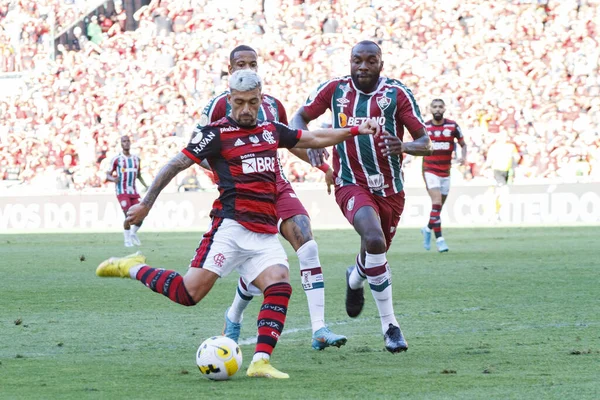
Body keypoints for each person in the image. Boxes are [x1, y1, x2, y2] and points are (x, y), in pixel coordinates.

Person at [95, 70, 380, 379]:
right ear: (230, 99)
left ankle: (260, 361)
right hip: (230, 229)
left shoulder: (272, 130)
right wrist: (147, 202)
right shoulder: (215, 134)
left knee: (280, 284)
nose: (246, 109)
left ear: (261, 99)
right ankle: (131, 267)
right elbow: (177, 163)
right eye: (240, 102)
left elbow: (312, 138)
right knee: (187, 294)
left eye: (253, 102)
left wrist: (355, 130)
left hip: (264, 232)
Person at [199, 45, 346, 350]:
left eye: (253, 63)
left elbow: (291, 141)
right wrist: (224, 174)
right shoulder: (217, 107)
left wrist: (321, 165)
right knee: (257, 261)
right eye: (241, 64)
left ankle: (319, 328)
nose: (248, 68)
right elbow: (198, 150)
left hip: (275, 183)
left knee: (307, 241)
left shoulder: (272, 105)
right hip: (242, 192)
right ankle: (234, 314)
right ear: (230, 71)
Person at [290, 41, 433, 353]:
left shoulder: (396, 94)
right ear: (350, 62)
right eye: (358, 60)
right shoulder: (334, 90)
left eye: (371, 61)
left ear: (381, 64)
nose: (363, 67)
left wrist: (404, 147)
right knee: (374, 238)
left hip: (391, 191)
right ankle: (390, 327)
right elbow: (298, 119)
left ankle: (355, 277)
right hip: (350, 183)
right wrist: (309, 140)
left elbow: (426, 141)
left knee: (373, 254)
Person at [421, 99, 467, 252]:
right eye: (435, 106)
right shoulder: (425, 127)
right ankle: (440, 240)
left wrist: (463, 157)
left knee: (438, 208)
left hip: (446, 171)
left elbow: (463, 144)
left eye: (440, 106)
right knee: (437, 202)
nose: (438, 109)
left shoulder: (452, 126)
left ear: (445, 108)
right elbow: (417, 144)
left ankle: (427, 228)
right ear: (430, 109)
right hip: (429, 169)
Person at [106, 135, 148, 247]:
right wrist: (114, 179)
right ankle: (127, 240)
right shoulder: (117, 159)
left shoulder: (136, 159)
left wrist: (147, 186)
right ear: (121, 144)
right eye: (124, 141)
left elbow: (138, 175)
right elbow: (107, 175)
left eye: (128, 141)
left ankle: (133, 233)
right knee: (128, 216)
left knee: (141, 214)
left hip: (134, 192)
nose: (126, 143)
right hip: (122, 191)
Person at [484, 129, 520, 221]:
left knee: (500, 194)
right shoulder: (494, 147)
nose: (504, 138)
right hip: (497, 171)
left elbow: (517, 157)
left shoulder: (511, 146)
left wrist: (514, 165)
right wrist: (485, 169)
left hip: (507, 172)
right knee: (503, 191)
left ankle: (495, 212)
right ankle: (494, 213)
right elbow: (489, 160)